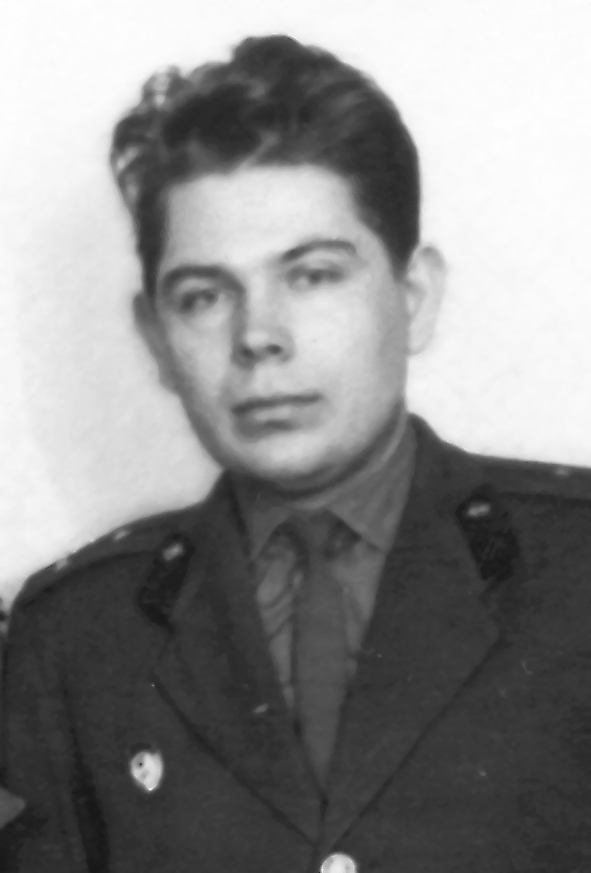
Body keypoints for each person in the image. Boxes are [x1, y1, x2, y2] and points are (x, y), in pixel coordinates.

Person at [2, 33, 591, 873]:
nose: (258, 336)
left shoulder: (576, 569)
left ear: (413, 296)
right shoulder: (76, 638)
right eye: (204, 296)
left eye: (311, 275)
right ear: (156, 338)